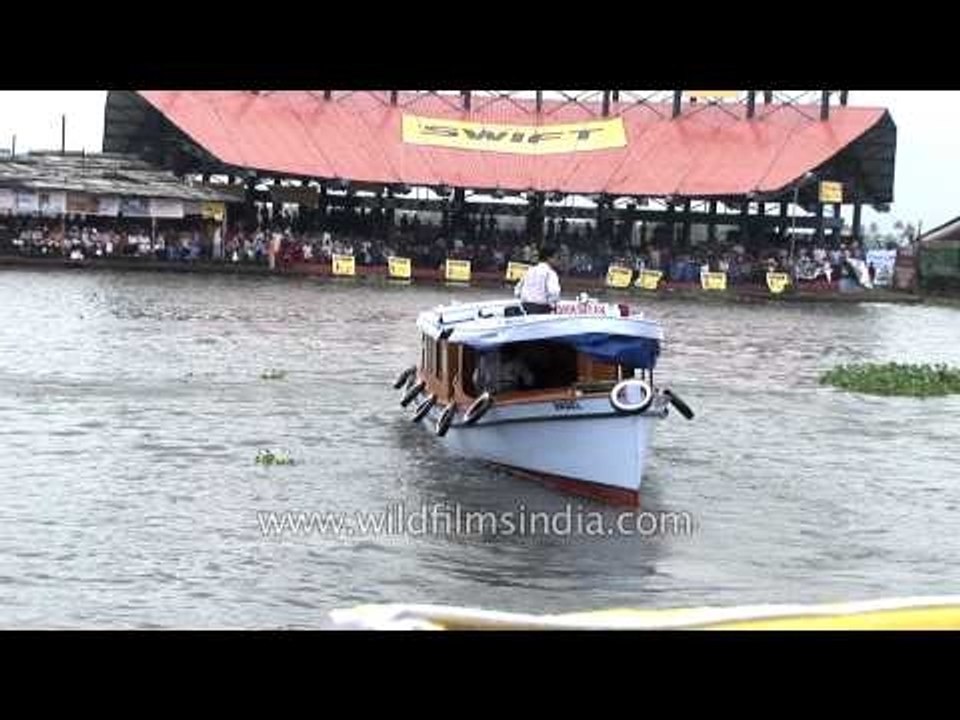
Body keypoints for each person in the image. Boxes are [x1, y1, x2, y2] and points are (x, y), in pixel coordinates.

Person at [514, 244, 561, 314]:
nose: (558, 261)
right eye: (557, 258)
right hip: (542, 309)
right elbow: (554, 292)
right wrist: (552, 305)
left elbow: (517, 291)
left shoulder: (529, 270)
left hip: (525, 308)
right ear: (549, 258)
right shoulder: (550, 273)